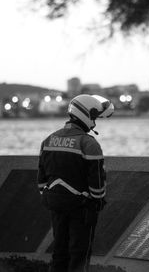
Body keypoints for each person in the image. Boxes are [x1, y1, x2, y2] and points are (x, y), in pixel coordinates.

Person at [37, 94, 114, 272]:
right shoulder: (88, 143)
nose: (94, 121)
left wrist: (54, 196)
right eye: (94, 117)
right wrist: (97, 200)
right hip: (81, 208)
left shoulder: (48, 140)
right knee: (79, 253)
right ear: (86, 114)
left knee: (59, 251)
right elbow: (97, 182)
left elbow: (41, 180)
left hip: (55, 204)